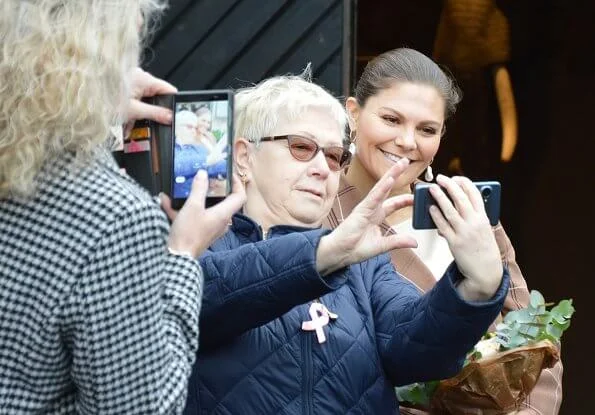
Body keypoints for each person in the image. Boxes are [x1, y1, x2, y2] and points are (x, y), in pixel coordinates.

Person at [181, 72, 510, 415]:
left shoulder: (361, 258)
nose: (323, 168)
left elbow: (417, 350)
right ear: (245, 157)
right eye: (302, 148)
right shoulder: (195, 242)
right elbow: (203, 297)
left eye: (334, 156)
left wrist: (476, 285)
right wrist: (324, 254)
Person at [0, 1, 244, 413]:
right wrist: (182, 255)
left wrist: (95, 117)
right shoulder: (116, 218)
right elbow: (141, 408)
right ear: (104, 57)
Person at [323, 47, 563, 414]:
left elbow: (534, 341)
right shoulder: (317, 213)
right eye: (391, 119)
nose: (407, 141)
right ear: (353, 113)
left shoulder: (467, 212)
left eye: (426, 129)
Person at [173, 110, 228, 199]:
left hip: (202, 201)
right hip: (179, 204)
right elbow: (176, 167)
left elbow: (215, 166)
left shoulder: (199, 149)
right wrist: (206, 161)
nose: (193, 131)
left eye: (195, 128)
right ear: (176, 128)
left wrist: (233, 166)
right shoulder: (170, 148)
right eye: (189, 127)